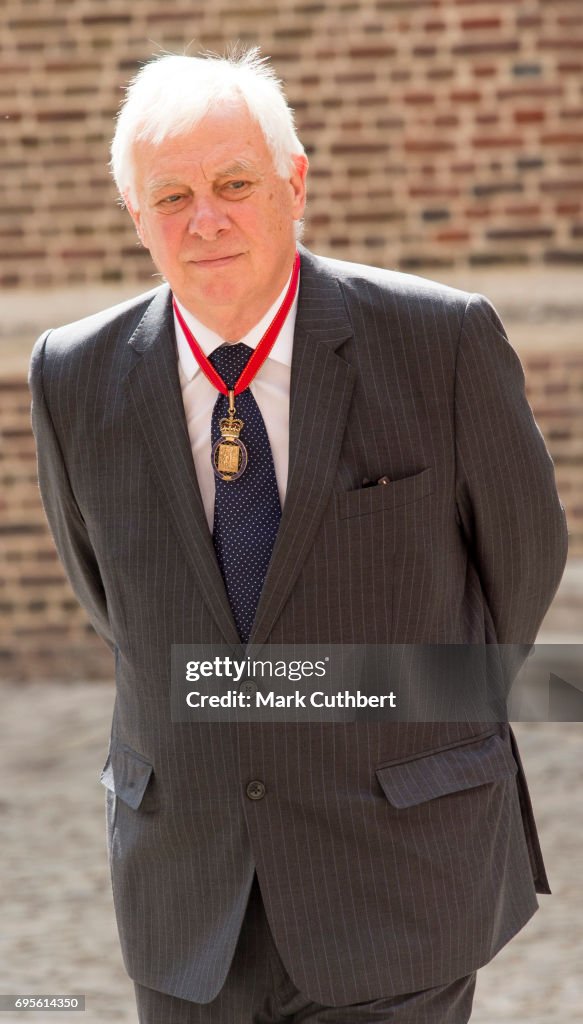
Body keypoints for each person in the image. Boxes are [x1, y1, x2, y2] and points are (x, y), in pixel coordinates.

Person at [29, 49, 568, 1024]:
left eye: (234, 183)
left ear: (294, 180)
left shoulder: (438, 342)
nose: (208, 219)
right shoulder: (71, 375)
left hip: (398, 873)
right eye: (173, 195)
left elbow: (517, 574)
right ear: (134, 215)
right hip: (186, 892)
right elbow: (108, 595)